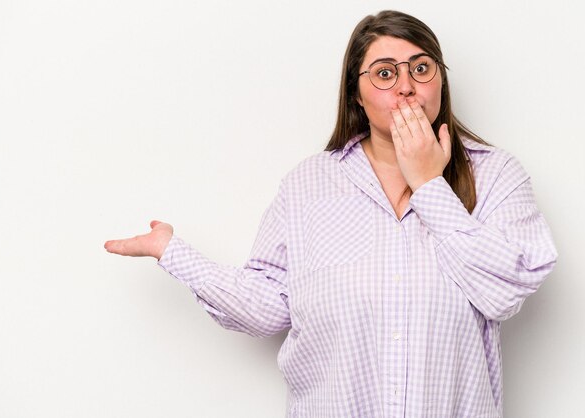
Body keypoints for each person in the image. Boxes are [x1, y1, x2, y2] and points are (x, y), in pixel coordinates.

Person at [104, 10, 557, 418]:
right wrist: (172, 252)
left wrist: (428, 184)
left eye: (421, 68)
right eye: (384, 73)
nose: (406, 85)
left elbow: (506, 289)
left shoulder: (498, 175)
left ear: (440, 80)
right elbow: (266, 306)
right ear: (355, 94)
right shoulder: (308, 185)